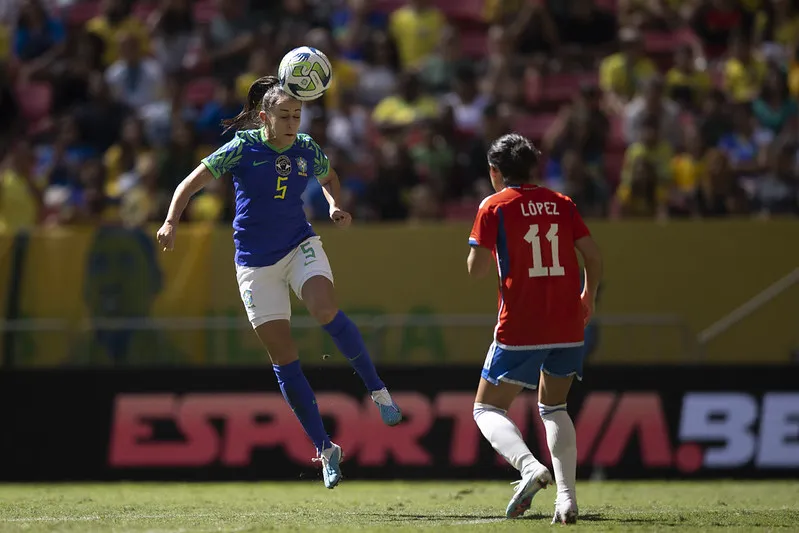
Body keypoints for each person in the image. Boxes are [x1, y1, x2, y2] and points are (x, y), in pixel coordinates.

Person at [156, 75, 402, 490]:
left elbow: (330, 179)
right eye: (284, 115)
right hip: (254, 263)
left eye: (297, 115)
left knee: (325, 309)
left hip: (298, 244)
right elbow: (188, 185)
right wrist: (170, 222)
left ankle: (379, 392)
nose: (293, 122)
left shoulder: (307, 148)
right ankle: (326, 449)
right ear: (264, 117)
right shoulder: (241, 148)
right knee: (284, 357)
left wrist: (335, 205)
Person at [466, 133, 603, 524]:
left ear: (495, 172)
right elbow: (592, 256)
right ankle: (567, 500)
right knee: (555, 407)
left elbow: (475, 270)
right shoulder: (562, 203)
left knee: (486, 408)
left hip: (522, 324)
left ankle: (529, 467)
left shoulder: (494, 205)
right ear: (534, 167)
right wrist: (587, 295)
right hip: (568, 321)